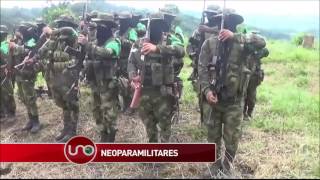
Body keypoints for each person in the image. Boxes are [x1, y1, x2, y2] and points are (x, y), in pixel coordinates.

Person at [198, 9, 266, 176]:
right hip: (213, 100)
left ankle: (227, 167)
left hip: (234, 102)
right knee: (212, 136)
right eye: (222, 22)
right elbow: (202, 70)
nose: (226, 26)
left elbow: (262, 42)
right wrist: (206, 91)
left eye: (229, 23)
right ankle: (214, 167)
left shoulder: (242, 44)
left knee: (232, 138)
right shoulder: (209, 44)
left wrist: (235, 36)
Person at [127, 12, 185, 142]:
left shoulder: (169, 39)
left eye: (157, 25)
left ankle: (163, 152)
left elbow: (181, 50)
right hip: (144, 90)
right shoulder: (138, 43)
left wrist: (157, 48)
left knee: (164, 123)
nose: (153, 28)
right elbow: (131, 62)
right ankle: (153, 148)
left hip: (163, 92)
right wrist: (132, 76)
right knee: (148, 121)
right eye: (150, 24)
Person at [78, 13, 121, 142]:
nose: (98, 30)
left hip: (108, 84)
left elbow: (106, 53)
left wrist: (88, 45)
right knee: (96, 109)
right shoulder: (95, 42)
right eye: (98, 26)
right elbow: (87, 58)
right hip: (95, 82)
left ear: (108, 28)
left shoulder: (114, 42)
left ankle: (110, 136)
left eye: (101, 27)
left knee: (109, 111)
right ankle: (103, 133)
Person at [38, 15, 80, 142]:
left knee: (72, 104)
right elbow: (41, 51)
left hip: (69, 77)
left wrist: (54, 31)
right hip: (56, 77)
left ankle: (72, 131)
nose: (61, 27)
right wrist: (50, 38)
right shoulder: (55, 39)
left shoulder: (74, 36)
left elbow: (70, 32)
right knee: (63, 103)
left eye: (63, 24)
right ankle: (66, 129)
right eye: (60, 24)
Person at [11, 22, 42, 133]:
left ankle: (36, 121)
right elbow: (12, 52)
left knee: (30, 98)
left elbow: (29, 50)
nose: (18, 32)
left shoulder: (32, 40)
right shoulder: (20, 41)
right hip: (19, 74)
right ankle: (30, 119)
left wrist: (16, 47)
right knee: (23, 97)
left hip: (28, 74)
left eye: (21, 30)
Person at [244, 45, 269, 120]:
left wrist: (258, 52)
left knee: (251, 98)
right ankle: (243, 113)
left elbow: (266, 51)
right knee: (243, 96)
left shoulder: (258, 50)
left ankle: (249, 113)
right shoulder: (244, 49)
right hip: (244, 77)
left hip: (253, 78)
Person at [0, 25, 16, 122]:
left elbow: (8, 59)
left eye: (2, 34)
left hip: (4, 72)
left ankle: (11, 113)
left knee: (8, 93)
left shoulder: (6, 45)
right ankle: (2, 113)